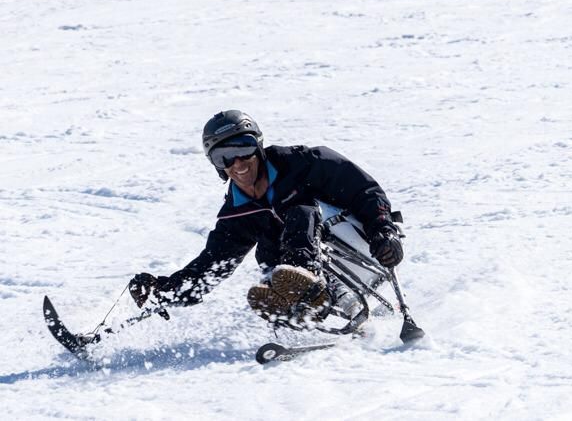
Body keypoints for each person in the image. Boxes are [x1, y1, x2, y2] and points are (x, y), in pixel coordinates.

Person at [127, 110, 404, 327]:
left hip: (362, 248)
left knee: (299, 212)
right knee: (267, 248)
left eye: (243, 149)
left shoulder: (304, 163)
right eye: (224, 156)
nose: (238, 163)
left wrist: (384, 230)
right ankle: (307, 302)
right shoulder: (239, 212)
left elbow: (364, 191)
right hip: (323, 266)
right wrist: (163, 290)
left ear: (258, 145)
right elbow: (211, 267)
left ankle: (305, 283)